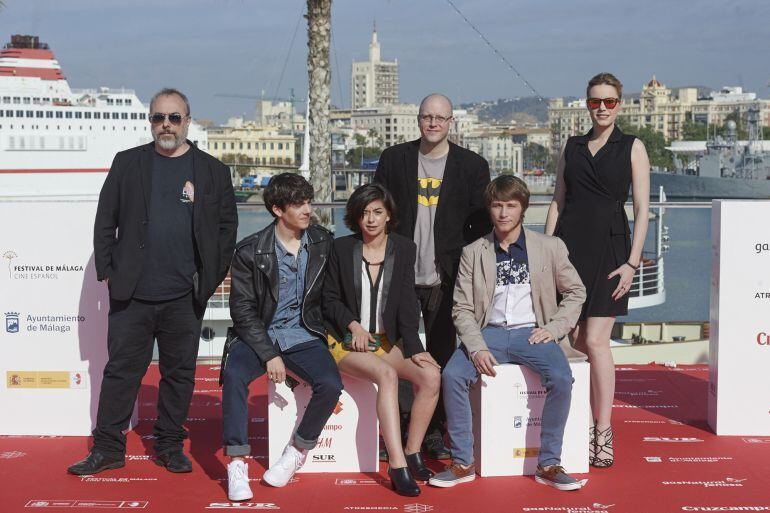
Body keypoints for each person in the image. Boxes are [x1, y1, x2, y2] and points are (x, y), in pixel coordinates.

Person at [68, 88, 238, 475]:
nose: (166, 125)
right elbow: (105, 219)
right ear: (150, 121)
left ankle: (168, 444)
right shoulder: (128, 163)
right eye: (158, 117)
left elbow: (227, 228)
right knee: (121, 372)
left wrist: (208, 279)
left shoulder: (212, 170)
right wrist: (109, 272)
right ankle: (108, 447)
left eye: (174, 118)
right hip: (133, 293)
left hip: (185, 295)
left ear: (187, 121)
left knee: (179, 374)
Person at [429, 175, 587, 490]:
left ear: (522, 208)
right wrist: (476, 347)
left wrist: (554, 329)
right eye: (497, 205)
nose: (503, 213)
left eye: (511, 206)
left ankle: (550, 463)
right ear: (490, 209)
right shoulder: (474, 251)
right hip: (489, 333)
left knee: (561, 377)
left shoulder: (549, 247)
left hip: (534, 333)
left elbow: (576, 292)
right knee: (452, 375)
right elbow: (461, 307)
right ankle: (462, 463)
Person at [374, 93, 491, 459]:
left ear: (451, 122)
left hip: (447, 277)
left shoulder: (472, 166)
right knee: (398, 351)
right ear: (418, 120)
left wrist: (465, 266)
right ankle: (399, 424)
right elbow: (376, 206)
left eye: (440, 118)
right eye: (427, 117)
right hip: (401, 274)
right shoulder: (395, 160)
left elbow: (480, 223)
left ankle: (434, 431)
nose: (433, 123)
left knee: (440, 353)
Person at [545, 72, 651, 468]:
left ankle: (602, 431)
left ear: (619, 104)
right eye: (594, 102)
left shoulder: (632, 147)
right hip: (568, 249)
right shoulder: (571, 147)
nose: (602, 108)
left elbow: (642, 210)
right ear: (586, 104)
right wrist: (545, 252)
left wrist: (632, 263)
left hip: (611, 250)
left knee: (596, 339)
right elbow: (557, 200)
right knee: (568, 335)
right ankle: (570, 427)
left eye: (609, 102)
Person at [221, 173, 342, 502]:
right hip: (259, 334)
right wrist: (269, 354)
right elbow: (242, 311)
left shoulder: (322, 242)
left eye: (308, 201)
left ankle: (297, 451)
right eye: (298, 204)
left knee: (331, 384)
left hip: (304, 333)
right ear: (277, 209)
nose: (307, 209)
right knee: (233, 376)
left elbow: (335, 293)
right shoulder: (250, 250)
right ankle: (236, 462)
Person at [323, 183, 441, 496]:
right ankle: (397, 464)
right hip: (346, 341)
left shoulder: (403, 248)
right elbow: (330, 299)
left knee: (431, 376)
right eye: (364, 213)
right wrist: (354, 327)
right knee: (386, 375)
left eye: (377, 212)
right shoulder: (341, 248)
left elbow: (406, 301)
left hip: (385, 341)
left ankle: (413, 451)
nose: (371, 219)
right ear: (355, 218)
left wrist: (415, 349)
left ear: (388, 214)